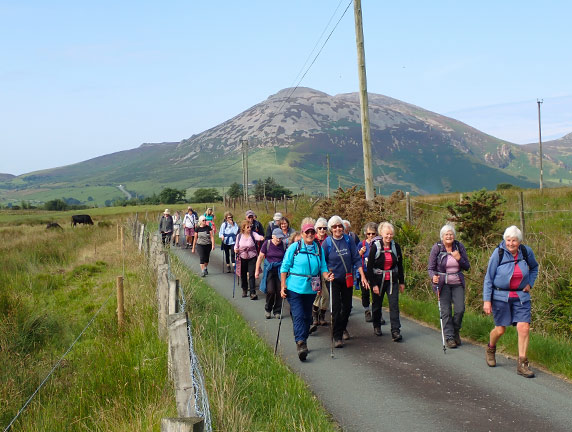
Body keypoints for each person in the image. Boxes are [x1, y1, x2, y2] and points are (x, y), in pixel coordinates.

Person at [483, 225, 539, 378]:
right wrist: (487, 300)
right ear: (504, 240)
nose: (511, 244)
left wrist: (530, 283)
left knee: (524, 328)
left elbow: (534, 267)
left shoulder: (526, 252)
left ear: (519, 242)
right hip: (501, 296)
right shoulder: (498, 253)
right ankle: (491, 348)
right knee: (500, 330)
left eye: (514, 241)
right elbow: (489, 277)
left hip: (521, 297)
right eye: (508, 240)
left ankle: (522, 363)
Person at [280, 218, 333, 361]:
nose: (310, 234)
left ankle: (302, 338)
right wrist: (283, 285)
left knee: (307, 317)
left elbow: (322, 267)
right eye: (307, 232)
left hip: (310, 289)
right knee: (298, 315)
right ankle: (301, 343)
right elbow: (284, 267)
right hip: (294, 288)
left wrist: (327, 276)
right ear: (302, 233)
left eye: (312, 232)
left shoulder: (318, 249)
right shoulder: (294, 247)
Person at [323, 215, 369, 347]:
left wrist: (363, 277)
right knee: (336, 308)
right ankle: (337, 337)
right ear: (330, 229)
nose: (337, 228)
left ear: (343, 227)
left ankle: (341, 328)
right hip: (333, 280)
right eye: (334, 227)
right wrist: (326, 275)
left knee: (347, 307)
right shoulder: (327, 243)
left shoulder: (349, 240)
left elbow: (356, 259)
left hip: (347, 278)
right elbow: (322, 262)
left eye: (339, 226)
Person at [428, 224, 470, 348]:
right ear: (442, 236)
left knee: (460, 309)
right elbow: (430, 268)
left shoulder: (459, 246)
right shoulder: (437, 248)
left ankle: (455, 331)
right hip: (442, 284)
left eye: (451, 234)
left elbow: (466, 266)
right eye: (446, 234)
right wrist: (433, 277)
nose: (449, 236)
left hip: (457, 283)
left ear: (454, 236)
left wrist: (459, 258)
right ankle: (449, 337)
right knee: (445, 311)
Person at [366, 222, 405, 341]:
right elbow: (370, 267)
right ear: (381, 234)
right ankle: (377, 325)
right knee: (377, 305)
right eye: (387, 234)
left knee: (394, 305)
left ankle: (395, 331)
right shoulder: (375, 247)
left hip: (392, 280)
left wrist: (401, 282)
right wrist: (373, 284)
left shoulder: (395, 246)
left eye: (391, 234)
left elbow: (400, 265)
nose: (389, 236)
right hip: (378, 280)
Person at [255, 232, 286, 319]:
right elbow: (260, 257)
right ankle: (268, 309)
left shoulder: (283, 245)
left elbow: (286, 258)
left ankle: (277, 311)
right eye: (277, 238)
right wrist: (257, 270)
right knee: (271, 290)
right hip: (270, 270)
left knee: (280, 290)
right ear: (273, 236)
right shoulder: (267, 244)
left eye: (280, 238)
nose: (279, 240)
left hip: (280, 270)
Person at [359, 222, 384, 324]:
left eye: (373, 234)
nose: (370, 236)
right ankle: (367, 311)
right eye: (368, 234)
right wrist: (360, 252)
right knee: (365, 293)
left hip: (375, 273)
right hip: (365, 272)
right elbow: (355, 258)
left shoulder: (378, 243)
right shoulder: (362, 244)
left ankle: (378, 314)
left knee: (376, 294)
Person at [309, 217, 330, 333]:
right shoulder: (313, 240)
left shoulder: (328, 240)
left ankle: (322, 316)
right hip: (315, 271)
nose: (322, 230)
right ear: (316, 229)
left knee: (326, 295)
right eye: (320, 228)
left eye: (324, 228)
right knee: (317, 293)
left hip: (325, 270)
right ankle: (315, 316)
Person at [235, 220, 264, 299]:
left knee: (251, 275)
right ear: (243, 228)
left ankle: (252, 292)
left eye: (250, 226)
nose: (249, 228)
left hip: (252, 257)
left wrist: (261, 238)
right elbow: (236, 245)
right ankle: (244, 289)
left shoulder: (253, 234)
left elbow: (258, 237)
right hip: (242, 257)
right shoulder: (239, 236)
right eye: (247, 227)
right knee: (243, 274)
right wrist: (236, 250)